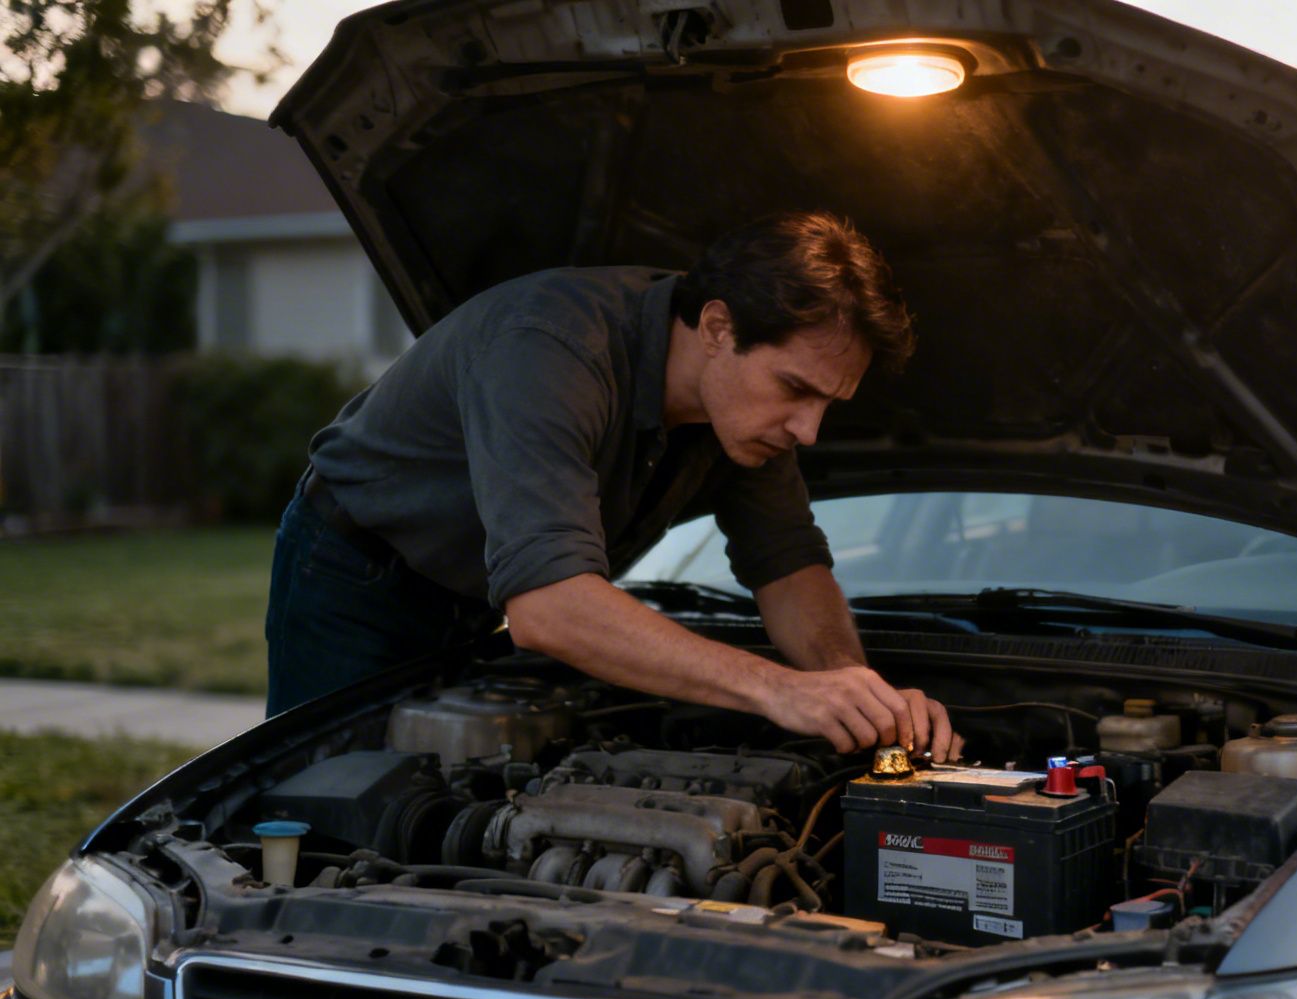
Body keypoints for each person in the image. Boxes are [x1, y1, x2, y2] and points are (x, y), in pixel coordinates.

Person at [265, 211, 959, 759]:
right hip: (355, 577)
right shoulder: (552, 348)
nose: (808, 430)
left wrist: (859, 694)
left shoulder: (744, 414)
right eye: (795, 390)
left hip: (470, 595)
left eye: (827, 406)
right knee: (327, 813)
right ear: (718, 327)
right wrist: (777, 690)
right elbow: (550, 611)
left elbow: (788, 565)